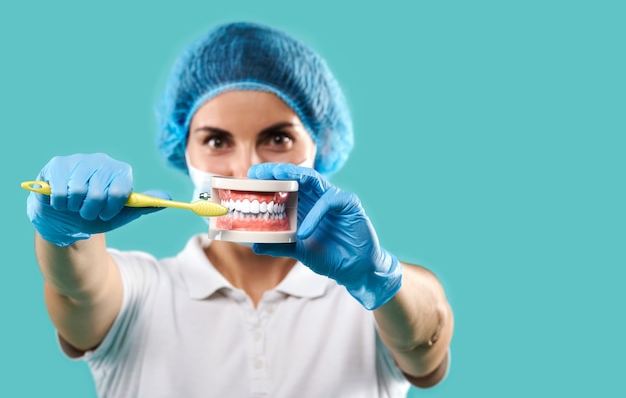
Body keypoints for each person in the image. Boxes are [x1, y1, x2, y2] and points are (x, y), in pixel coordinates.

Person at [26, 22, 453, 397]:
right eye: (216, 141)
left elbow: (425, 336)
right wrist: (65, 235)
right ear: (183, 150)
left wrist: (378, 280)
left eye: (279, 139)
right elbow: (76, 289)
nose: (247, 169)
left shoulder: (367, 302)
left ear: (320, 146)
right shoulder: (141, 292)